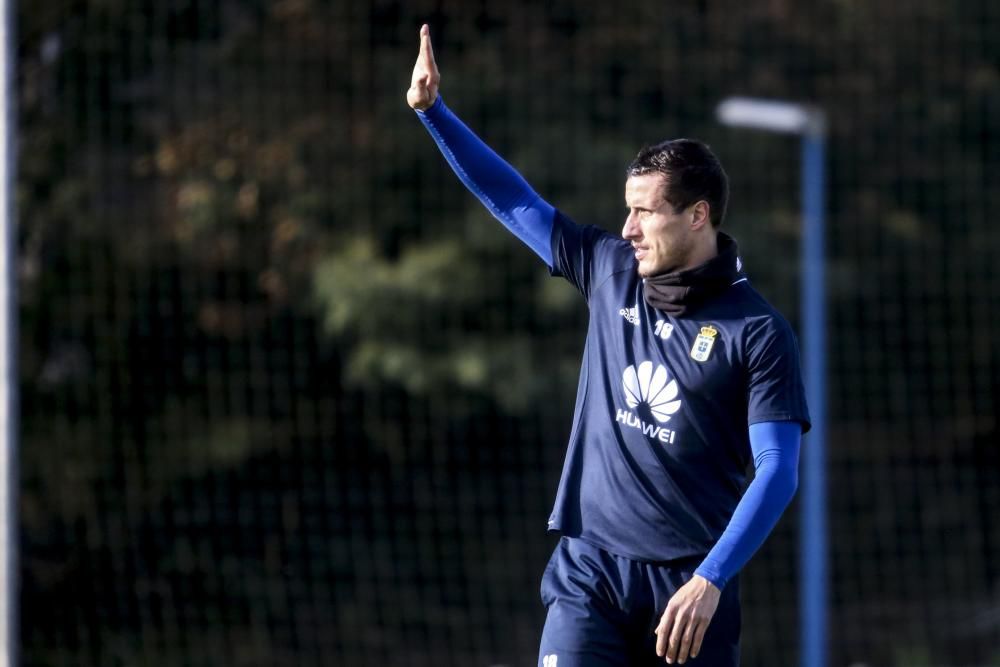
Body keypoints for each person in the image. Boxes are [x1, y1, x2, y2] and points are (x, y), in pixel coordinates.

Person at [406, 24, 810, 667]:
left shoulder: (757, 333)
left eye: (645, 212)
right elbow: (516, 201)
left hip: (687, 593)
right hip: (587, 572)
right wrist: (435, 115)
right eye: (627, 211)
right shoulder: (609, 267)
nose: (628, 228)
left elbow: (778, 470)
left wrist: (712, 578)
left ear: (697, 215)